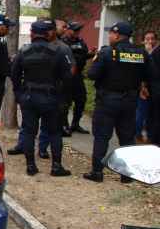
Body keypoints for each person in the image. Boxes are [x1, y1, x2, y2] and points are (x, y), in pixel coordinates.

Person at [84, 21, 151, 183]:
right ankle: (126, 175)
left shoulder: (107, 53)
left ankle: (97, 172)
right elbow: (149, 75)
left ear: (118, 35)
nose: (109, 36)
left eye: (111, 34)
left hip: (108, 100)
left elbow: (92, 74)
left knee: (102, 136)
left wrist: (94, 62)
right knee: (127, 137)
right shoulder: (141, 53)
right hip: (129, 101)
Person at [11, 20, 73, 176]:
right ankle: (56, 166)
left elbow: (14, 74)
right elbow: (68, 77)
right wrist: (63, 98)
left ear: (32, 33)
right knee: (55, 133)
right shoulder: (58, 51)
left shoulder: (24, 51)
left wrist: (19, 94)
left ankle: (30, 165)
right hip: (51, 98)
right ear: (48, 34)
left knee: (29, 132)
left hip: (29, 97)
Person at [62, 21, 96, 133]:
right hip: (66, 75)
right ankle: (64, 125)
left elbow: (84, 55)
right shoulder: (63, 41)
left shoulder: (81, 41)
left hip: (78, 76)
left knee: (81, 100)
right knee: (66, 101)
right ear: (68, 30)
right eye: (75, 30)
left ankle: (75, 124)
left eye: (78, 30)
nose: (77, 32)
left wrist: (91, 54)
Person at [136, 31, 157, 142]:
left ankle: (148, 133)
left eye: (152, 39)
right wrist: (142, 87)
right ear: (143, 41)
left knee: (151, 113)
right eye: (147, 39)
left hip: (154, 89)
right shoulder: (140, 53)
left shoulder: (157, 52)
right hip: (143, 87)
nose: (150, 41)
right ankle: (137, 133)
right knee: (141, 111)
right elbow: (141, 71)